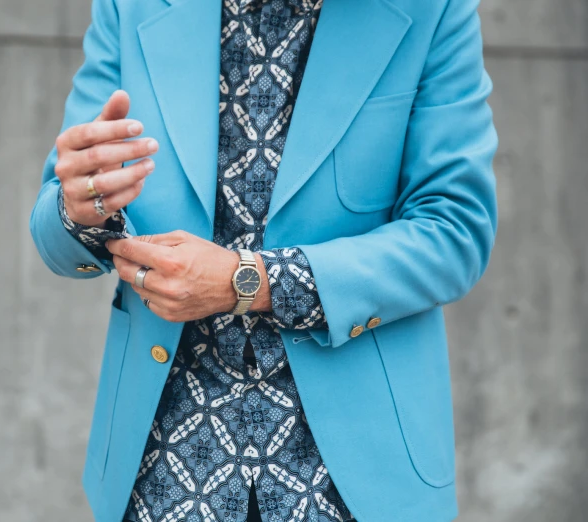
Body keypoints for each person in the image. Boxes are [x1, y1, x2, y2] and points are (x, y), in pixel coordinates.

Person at [28, 0, 498, 519]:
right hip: (162, 464)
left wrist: (247, 281)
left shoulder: (434, 9)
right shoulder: (131, 7)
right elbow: (58, 223)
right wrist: (80, 207)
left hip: (358, 471)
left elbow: (455, 232)